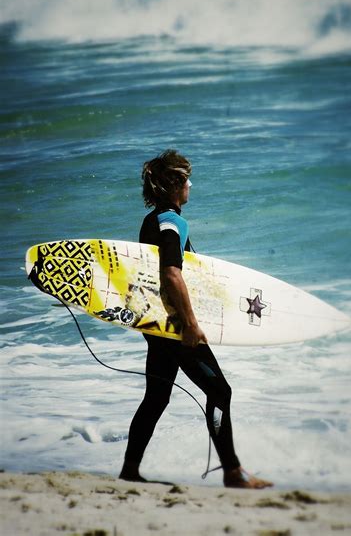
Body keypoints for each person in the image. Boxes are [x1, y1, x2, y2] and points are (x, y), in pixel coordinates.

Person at [119, 149, 272, 489]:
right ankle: (232, 472)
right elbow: (171, 274)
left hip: (158, 326)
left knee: (157, 397)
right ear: (174, 185)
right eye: (186, 179)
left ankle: (130, 470)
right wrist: (190, 323)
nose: (191, 185)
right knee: (220, 391)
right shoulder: (173, 222)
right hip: (175, 327)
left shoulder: (152, 221)